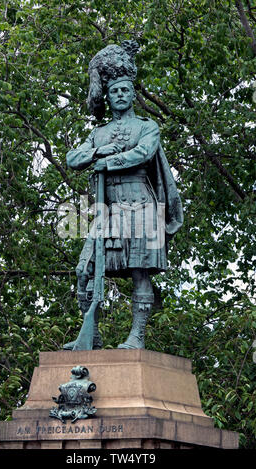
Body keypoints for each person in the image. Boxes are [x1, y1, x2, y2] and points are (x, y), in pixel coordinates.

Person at [64, 41, 183, 350]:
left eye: (124, 90)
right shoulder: (99, 133)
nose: (119, 95)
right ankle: (92, 337)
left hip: (141, 204)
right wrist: (98, 151)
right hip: (109, 208)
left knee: (139, 271)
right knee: (83, 270)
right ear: (109, 94)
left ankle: (137, 338)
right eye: (113, 91)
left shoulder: (147, 126)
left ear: (132, 94)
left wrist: (108, 162)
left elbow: (143, 154)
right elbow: (73, 159)